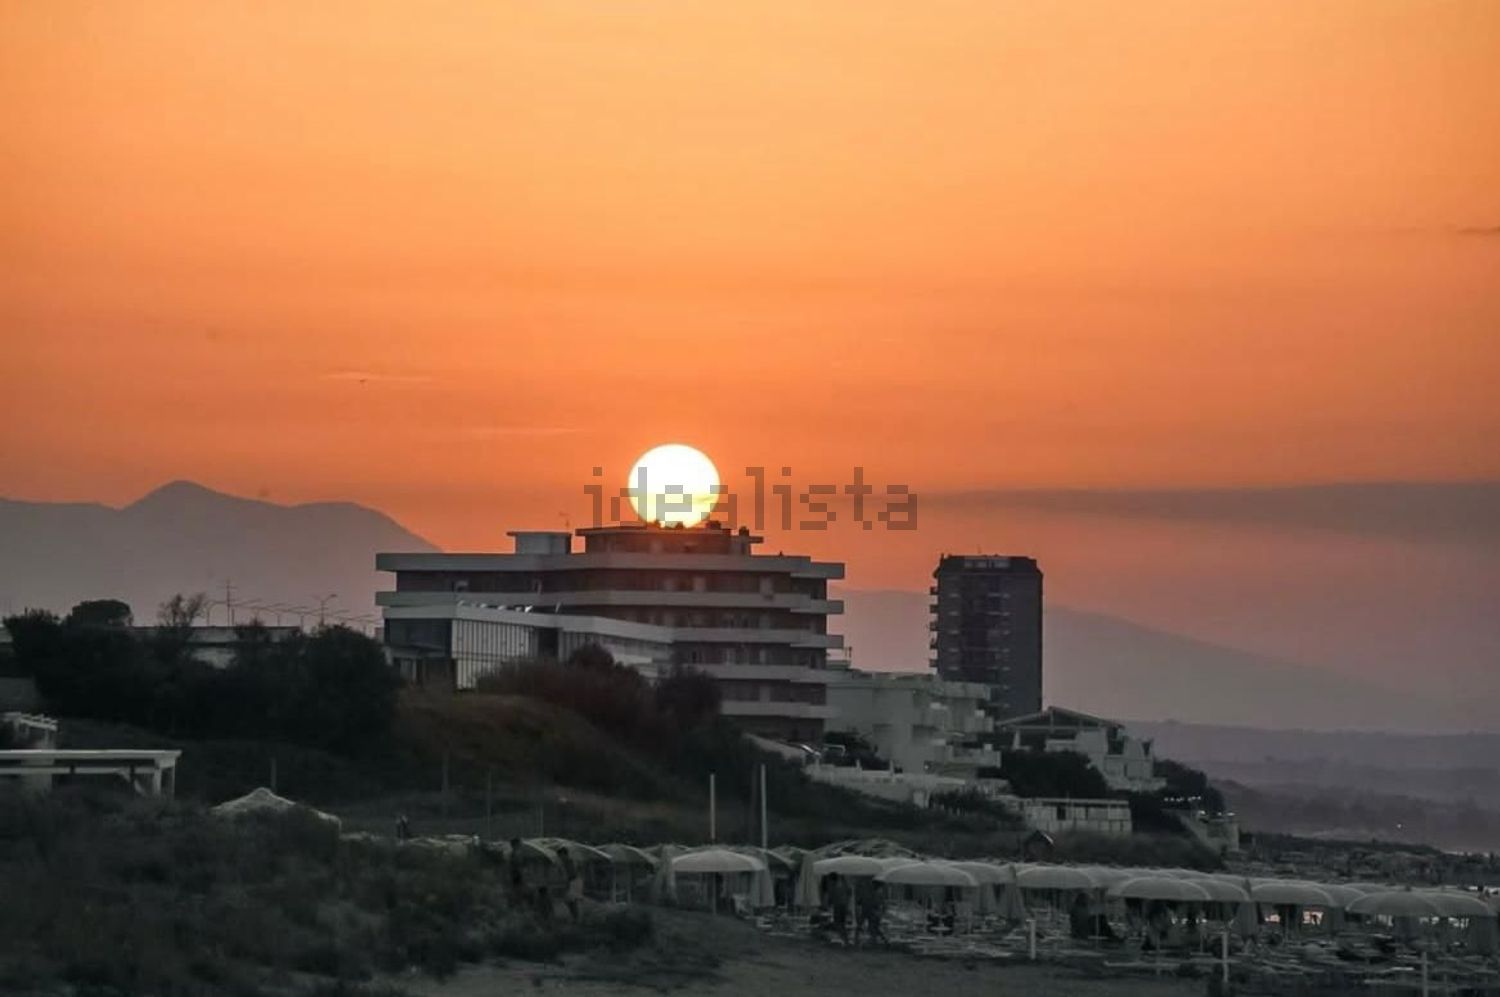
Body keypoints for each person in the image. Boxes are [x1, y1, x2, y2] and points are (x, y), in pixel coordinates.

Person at [558, 845, 582, 923]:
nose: (560, 857)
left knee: (571, 901)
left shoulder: (569, 862)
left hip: (574, 882)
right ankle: (575, 917)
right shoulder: (565, 863)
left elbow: (572, 874)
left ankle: (576, 918)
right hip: (572, 882)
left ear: (564, 854)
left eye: (561, 855)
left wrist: (567, 884)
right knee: (569, 901)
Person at [826, 873, 851, 944]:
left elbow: (831, 896)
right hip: (844, 904)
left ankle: (845, 938)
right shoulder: (844, 883)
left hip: (838, 905)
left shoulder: (833, 885)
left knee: (837, 923)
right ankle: (845, 938)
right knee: (841, 923)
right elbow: (849, 892)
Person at [507, 837, 527, 906]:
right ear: (516, 845)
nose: (521, 845)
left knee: (518, 892)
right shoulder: (514, 855)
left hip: (517, 876)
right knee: (518, 893)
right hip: (516, 877)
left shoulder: (515, 854)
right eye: (519, 844)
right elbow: (516, 867)